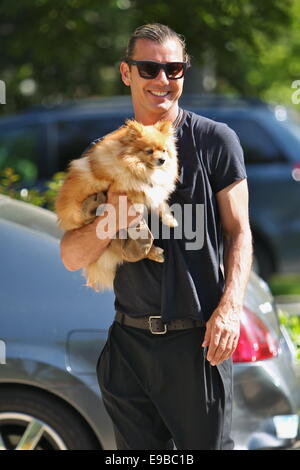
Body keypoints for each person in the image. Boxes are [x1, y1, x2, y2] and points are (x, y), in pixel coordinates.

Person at [60, 23, 253, 450]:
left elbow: (240, 232)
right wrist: (111, 219)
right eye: (149, 68)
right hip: (128, 345)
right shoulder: (104, 155)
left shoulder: (215, 141)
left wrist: (230, 309)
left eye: (174, 69)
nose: (162, 80)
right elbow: (72, 256)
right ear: (126, 73)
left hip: (197, 343)